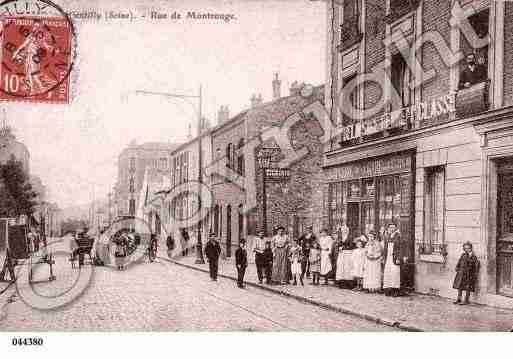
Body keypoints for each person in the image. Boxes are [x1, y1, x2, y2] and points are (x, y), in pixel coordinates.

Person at [383, 223, 405, 297]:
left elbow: (401, 248)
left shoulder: (398, 236)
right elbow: (385, 248)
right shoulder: (387, 236)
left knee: (395, 273)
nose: (392, 229)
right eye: (390, 228)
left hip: (395, 257)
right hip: (388, 257)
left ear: (395, 228)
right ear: (388, 228)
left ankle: (396, 290)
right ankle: (389, 289)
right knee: (388, 273)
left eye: (393, 228)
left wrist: (399, 258)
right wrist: (384, 257)